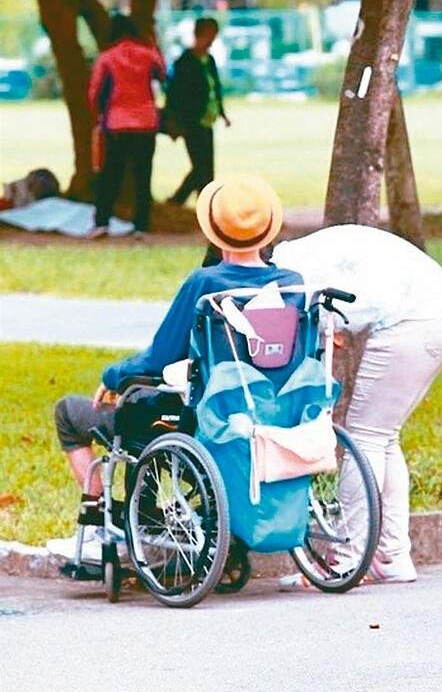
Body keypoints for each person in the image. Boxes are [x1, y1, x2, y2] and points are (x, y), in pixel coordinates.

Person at [48, 175, 303, 562]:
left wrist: (113, 376)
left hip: (204, 418)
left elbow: (158, 359)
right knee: (151, 412)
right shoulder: (293, 285)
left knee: (75, 411)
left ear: (214, 232)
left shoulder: (206, 282)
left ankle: (100, 520)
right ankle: (146, 515)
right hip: (274, 412)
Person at [271, 225, 442, 588]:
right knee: (384, 437)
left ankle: (347, 560)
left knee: (366, 437)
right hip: (440, 311)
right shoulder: (299, 255)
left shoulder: (289, 281)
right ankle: (391, 556)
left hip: (414, 322)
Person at [87, 13, 166, 238]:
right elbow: (162, 75)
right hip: (146, 122)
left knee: (110, 174)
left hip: (117, 124)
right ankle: (141, 225)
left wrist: (98, 116)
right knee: (143, 175)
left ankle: (102, 222)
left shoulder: (107, 58)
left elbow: (94, 92)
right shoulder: (148, 55)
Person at [166, 17, 230, 206]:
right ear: (198, 35)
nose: (211, 40)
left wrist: (222, 113)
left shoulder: (209, 60)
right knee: (200, 167)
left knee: (207, 168)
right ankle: (178, 201)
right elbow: (175, 93)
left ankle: (205, 205)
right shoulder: (185, 62)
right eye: (208, 35)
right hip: (191, 121)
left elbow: (214, 88)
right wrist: (176, 120)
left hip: (208, 120)